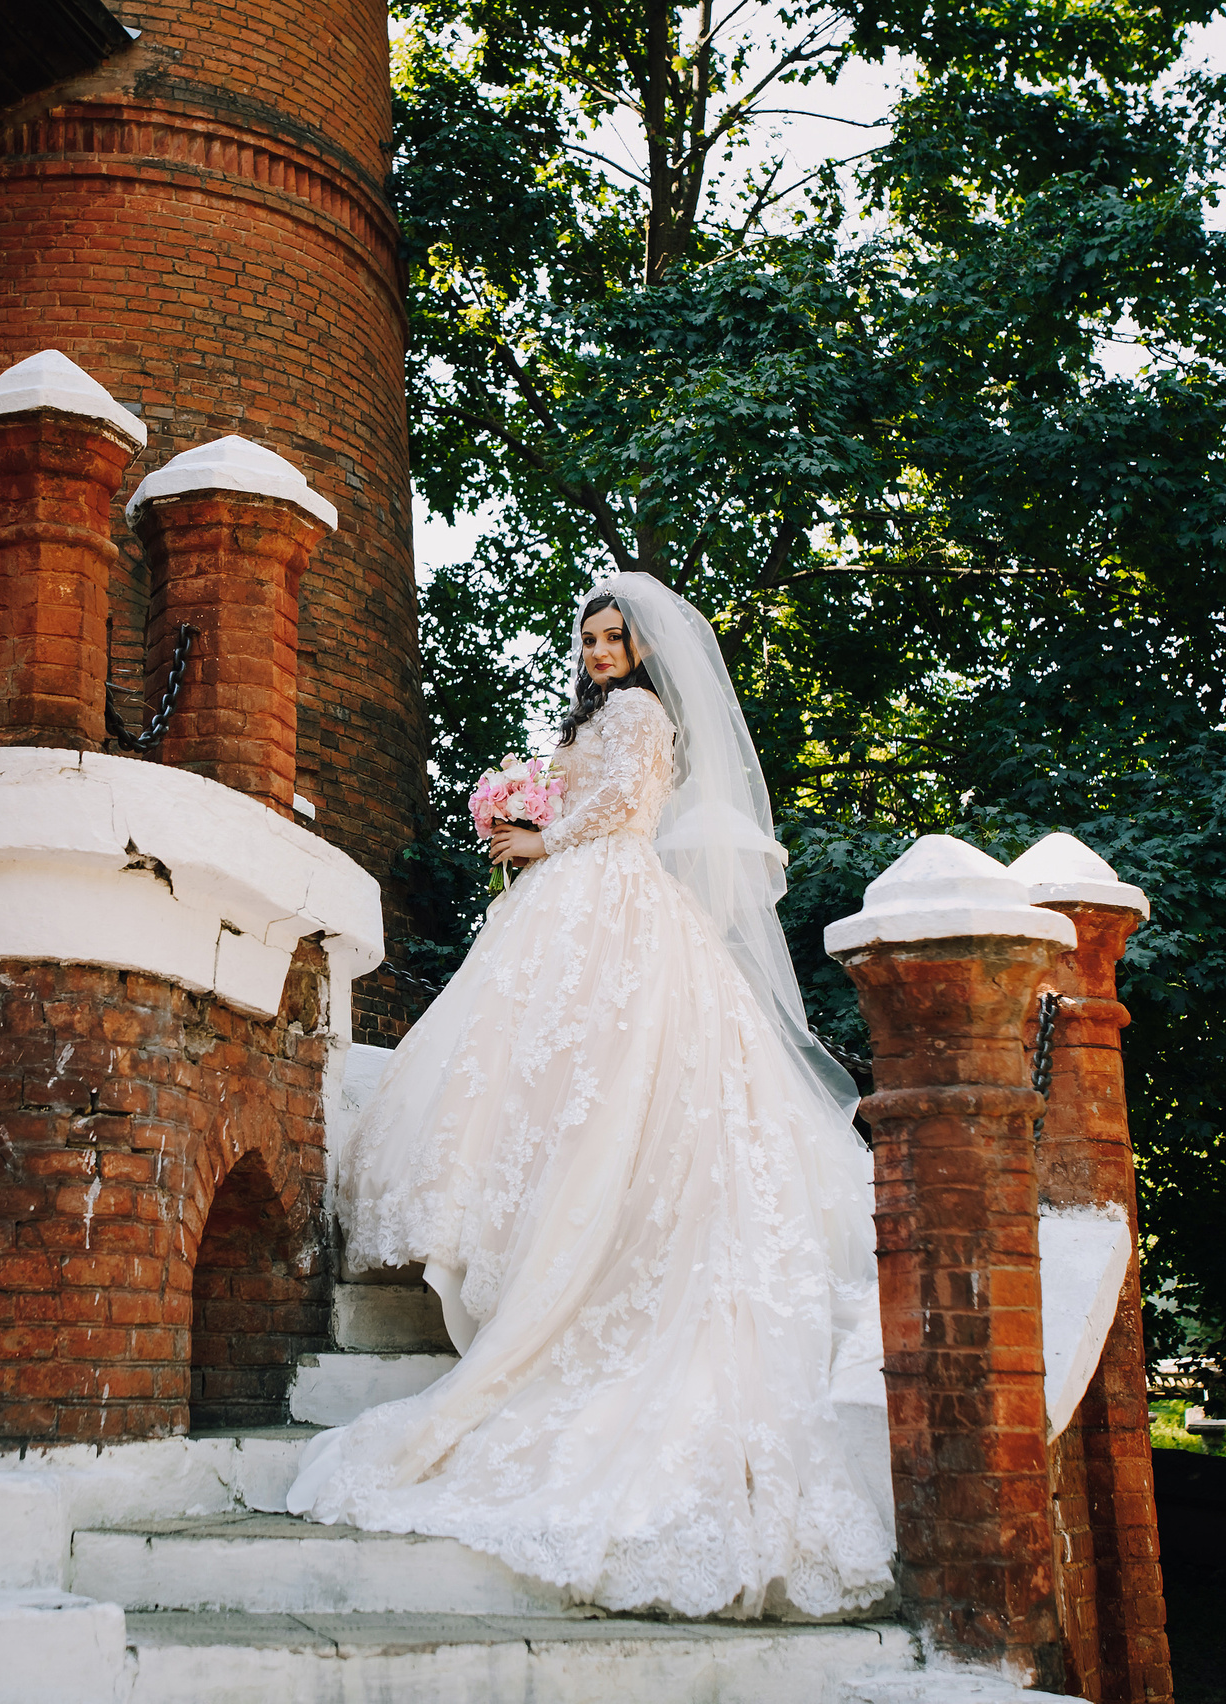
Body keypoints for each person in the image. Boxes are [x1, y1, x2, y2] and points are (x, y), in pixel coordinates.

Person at [283, 572, 894, 1620]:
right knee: (550, 1077)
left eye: (615, 638)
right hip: (571, 894)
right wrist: (521, 816)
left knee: (608, 1075)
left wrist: (536, 836)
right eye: (590, 637)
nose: (601, 650)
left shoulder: (640, 713)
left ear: (645, 651)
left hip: (607, 892)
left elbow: (625, 810)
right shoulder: (594, 712)